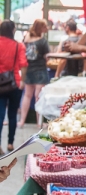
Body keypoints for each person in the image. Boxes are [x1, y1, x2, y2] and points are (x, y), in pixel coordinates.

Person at [0, 20, 28, 154]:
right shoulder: (18, 46)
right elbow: (23, 64)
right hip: (14, 83)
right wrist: (22, 81)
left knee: (0, 115)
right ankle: (10, 143)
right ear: (12, 30)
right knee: (12, 114)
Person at [19, 19, 50, 128]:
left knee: (27, 95)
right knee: (39, 97)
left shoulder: (26, 38)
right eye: (45, 26)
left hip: (28, 70)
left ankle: (22, 121)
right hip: (40, 70)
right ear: (40, 28)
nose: (47, 28)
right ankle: (39, 122)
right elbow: (47, 56)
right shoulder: (43, 41)